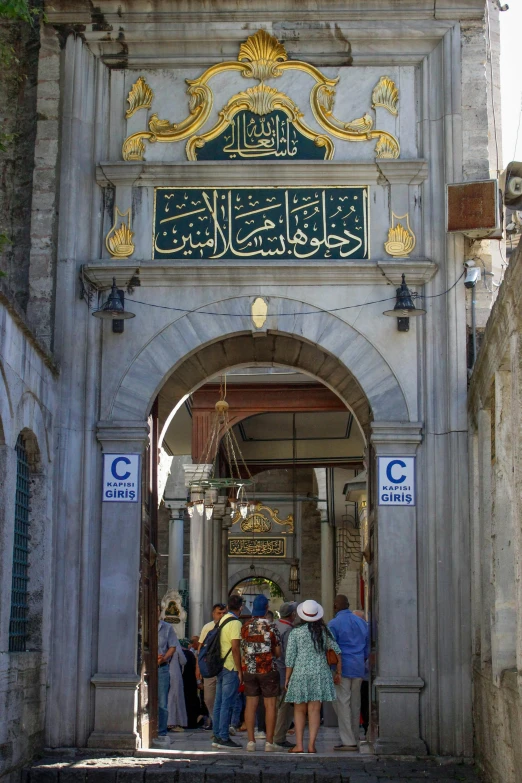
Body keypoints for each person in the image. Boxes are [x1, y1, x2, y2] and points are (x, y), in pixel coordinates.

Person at [284, 599, 341, 754]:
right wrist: (339, 672)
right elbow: (336, 650)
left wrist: (287, 678)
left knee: (299, 710)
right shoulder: (324, 631)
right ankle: (311, 746)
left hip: (300, 673)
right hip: (319, 673)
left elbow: (290, 658)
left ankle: (299, 746)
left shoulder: (296, 632)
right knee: (315, 711)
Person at [240, 594, 281, 752]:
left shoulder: (245, 626)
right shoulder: (271, 627)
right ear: (266, 609)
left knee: (251, 704)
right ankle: (269, 742)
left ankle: (251, 741)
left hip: (250, 670)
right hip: (268, 669)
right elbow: (277, 652)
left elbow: (243, 648)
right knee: (270, 705)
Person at [328, 595, 369, 751]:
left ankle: (348, 740)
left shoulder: (333, 624)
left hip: (342, 667)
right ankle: (355, 737)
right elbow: (366, 647)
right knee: (355, 702)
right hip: (358, 666)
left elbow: (332, 649)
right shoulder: (361, 622)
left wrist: (334, 670)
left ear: (335, 606)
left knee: (342, 702)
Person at [212, 594, 244, 749]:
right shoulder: (235, 623)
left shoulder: (222, 620)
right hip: (230, 666)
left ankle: (217, 735)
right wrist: (239, 670)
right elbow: (236, 648)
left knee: (219, 703)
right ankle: (224, 737)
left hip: (220, 665)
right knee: (227, 703)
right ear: (241, 607)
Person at [273, 601, 297, 748]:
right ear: (292, 614)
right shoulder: (288, 630)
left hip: (270, 669)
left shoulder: (274, 625)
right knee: (284, 705)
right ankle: (279, 737)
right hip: (282, 670)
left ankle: (272, 735)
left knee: (273, 704)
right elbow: (289, 655)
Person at [198, 603, 226, 726]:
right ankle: (215, 720)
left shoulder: (230, 626)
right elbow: (200, 649)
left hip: (225, 667)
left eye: (223, 613)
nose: (221, 615)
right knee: (209, 698)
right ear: (213, 614)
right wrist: (198, 667)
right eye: (219, 613)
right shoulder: (207, 627)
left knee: (224, 697)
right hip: (210, 667)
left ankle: (224, 725)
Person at [157, 606, 177, 740]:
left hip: (161, 667)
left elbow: (172, 646)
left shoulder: (167, 627)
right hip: (145, 667)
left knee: (162, 700)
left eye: (157, 609)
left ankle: (161, 731)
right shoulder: (141, 625)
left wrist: (164, 658)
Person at [167, 625, 187, 731]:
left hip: (163, 671)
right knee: (174, 698)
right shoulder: (176, 644)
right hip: (174, 673)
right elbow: (183, 660)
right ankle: (172, 722)